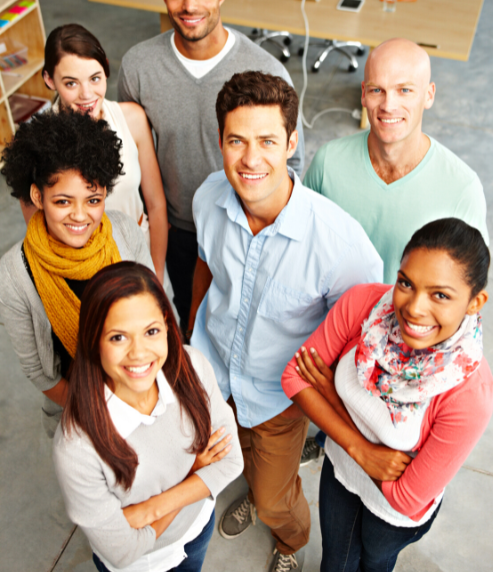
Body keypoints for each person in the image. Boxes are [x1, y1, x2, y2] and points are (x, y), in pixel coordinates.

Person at [189, 71, 383, 572]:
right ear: (221, 142)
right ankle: (259, 482)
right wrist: (192, 342)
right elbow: (206, 265)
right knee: (226, 458)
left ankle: (290, 540)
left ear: (293, 142)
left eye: (267, 141)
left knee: (277, 501)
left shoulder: (340, 244)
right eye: (237, 141)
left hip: (279, 396)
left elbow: (358, 339)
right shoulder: (209, 197)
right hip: (214, 377)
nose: (251, 159)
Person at [282, 218, 493, 572]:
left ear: (475, 302)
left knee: (374, 563)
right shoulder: (365, 305)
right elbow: (295, 377)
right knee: (335, 561)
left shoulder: (469, 394)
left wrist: (332, 400)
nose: (414, 308)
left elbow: (407, 498)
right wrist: (360, 450)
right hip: (341, 469)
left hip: (390, 517)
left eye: (440, 295)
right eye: (406, 283)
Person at [117, 0, 306, 334]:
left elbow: (291, 162)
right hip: (174, 232)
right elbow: (129, 152)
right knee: (181, 331)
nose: (189, 6)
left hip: (246, 232)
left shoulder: (266, 70)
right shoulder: (139, 66)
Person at [53, 262, 243, 572]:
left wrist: (145, 512)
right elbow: (124, 552)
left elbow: (232, 462)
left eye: (151, 331)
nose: (139, 353)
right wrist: (194, 475)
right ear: (93, 340)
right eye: (118, 338)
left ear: (167, 326)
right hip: (142, 564)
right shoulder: (76, 448)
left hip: (196, 530)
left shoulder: (191, 366)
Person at [0, 109, 155, 436]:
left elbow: (155, 316)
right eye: (63, 202)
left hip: (149, 398)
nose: (80, 216)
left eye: (93, 199)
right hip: (80, 416)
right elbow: (41, 375)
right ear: (37, 197)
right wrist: (108, 416)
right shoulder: (15, 276)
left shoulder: (125, 233)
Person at [303, 38, 488, 285]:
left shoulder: (462, 188)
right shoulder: (328, 163)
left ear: (429, 95)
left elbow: (470, 288)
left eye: (404, 90)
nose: (388, 106)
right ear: (363, 95)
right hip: (335, 319)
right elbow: (300, 251)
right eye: (377, 90)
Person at [40, 23, 171, 295]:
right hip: (80, 272)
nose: (87, 95)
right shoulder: (35, 143)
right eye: (71, 83)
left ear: (107, 69)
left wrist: (156, 274)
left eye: (95, 78)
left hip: (139, 256)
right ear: (49, 80)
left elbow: (156, 206)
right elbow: (39, 236)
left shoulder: (132, 119)